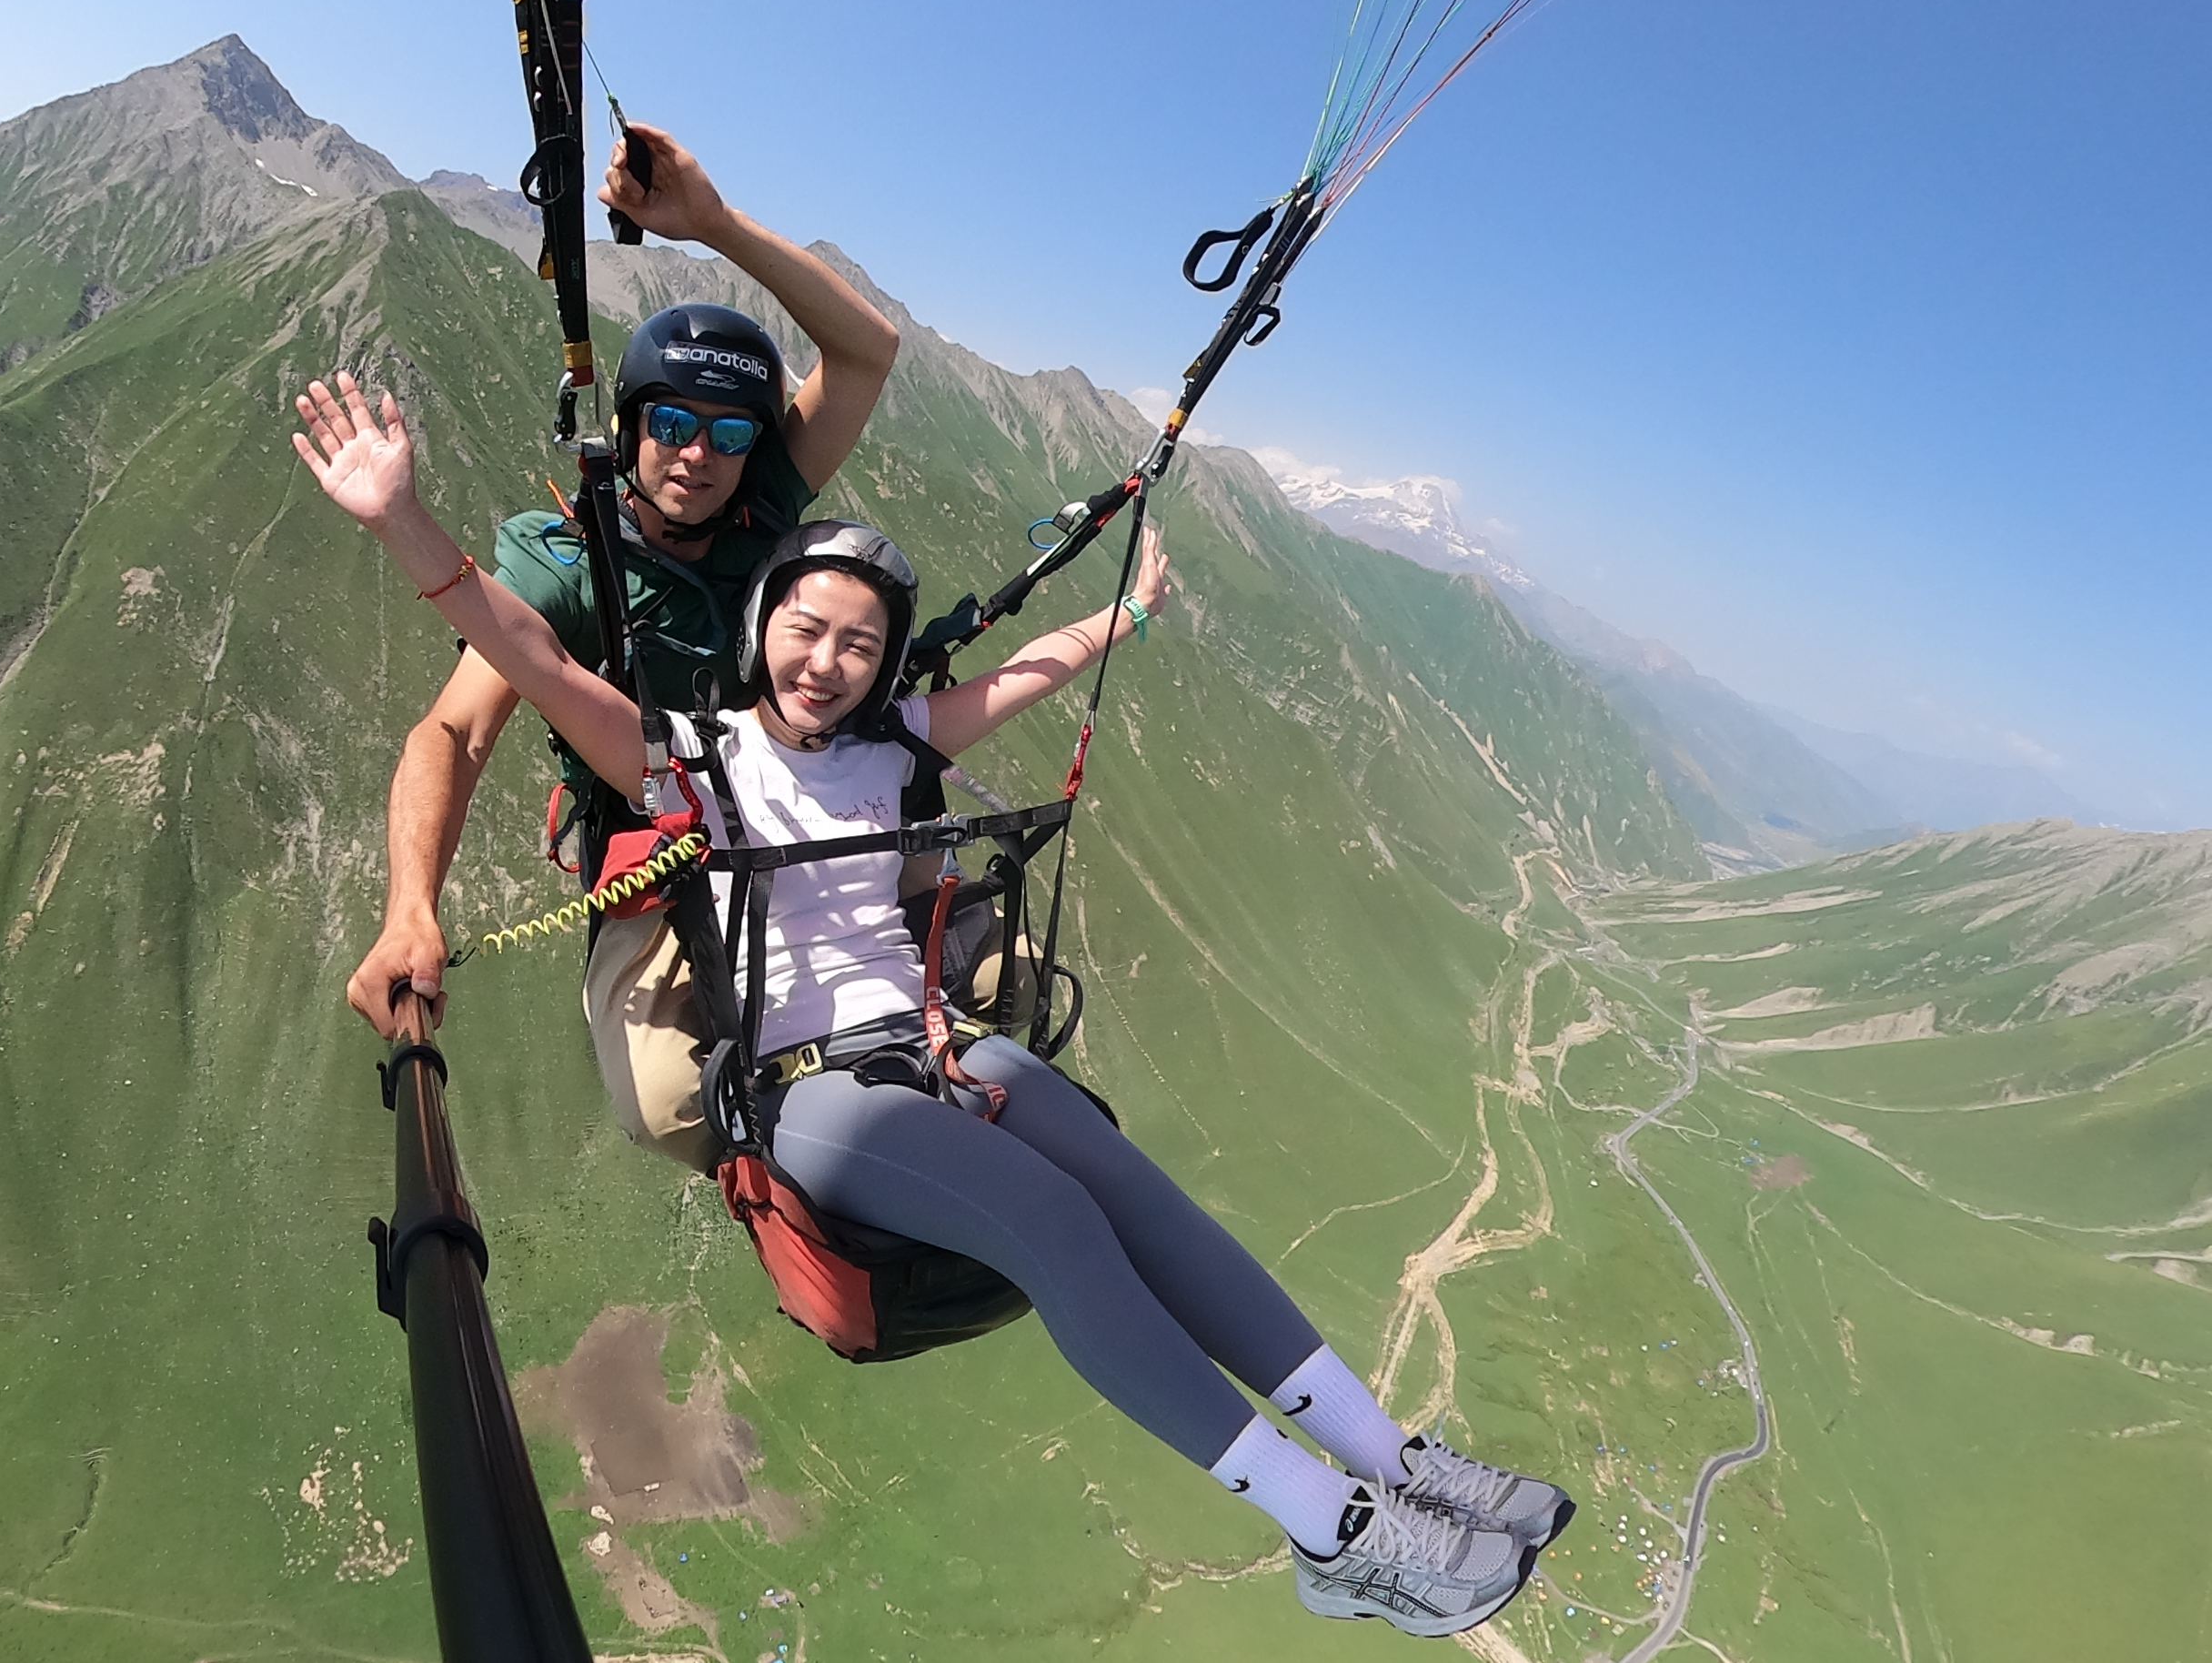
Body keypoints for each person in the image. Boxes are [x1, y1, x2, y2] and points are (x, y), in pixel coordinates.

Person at [293, 381, 1573, 1638]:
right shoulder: (691, 756)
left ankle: (1393, 1456)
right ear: (763, 631)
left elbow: (1025, 672)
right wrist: (397, 519)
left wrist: (1126, 611)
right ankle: (1334, 1532)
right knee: (1058, 1223)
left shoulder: (894, 746)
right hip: (814, 1094)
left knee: (1138, 1194)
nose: (827, 660)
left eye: (857, 641)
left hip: (940, 1053)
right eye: (805, 628)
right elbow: (520, 645)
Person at [297, 123, 900, 1037]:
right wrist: (410, 907)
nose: (698, 456)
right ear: (628, 431)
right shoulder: (569, 565)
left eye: (731, 433)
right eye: (671, 425)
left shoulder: (759, 499)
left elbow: (868, 352)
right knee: (675, 1098)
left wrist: (711, 223)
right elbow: (454, 730)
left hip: (796, 823)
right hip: (661, 867)